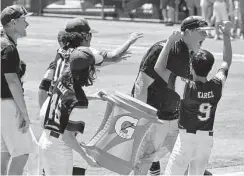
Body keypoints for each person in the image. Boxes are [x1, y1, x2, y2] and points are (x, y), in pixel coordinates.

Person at [131, 16, 212, 176]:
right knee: (144, 162)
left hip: (176, 119)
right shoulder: (163, 50)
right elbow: (141, 85)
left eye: (206, 32)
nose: (205, 36)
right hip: (155, 118)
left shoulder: (194, 53)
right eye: (201, 32)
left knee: (189, 160)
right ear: (187, 32)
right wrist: (142, 119)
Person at [154, 21, 232, 175]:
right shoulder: (216, 85)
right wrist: (226, 35)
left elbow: (159, 68)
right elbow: (226, 61)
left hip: (186, 140)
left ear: (191, 67)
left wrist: (169, 42)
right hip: (206, 141)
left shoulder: (186, 87)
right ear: (210, 68)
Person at [38, 17, 143, 108]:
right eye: (89, 35)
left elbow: (43, 86)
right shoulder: (85, 52)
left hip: (52, 106)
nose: (90, 39)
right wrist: (130, 40)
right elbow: (114, 56)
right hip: (65, 109)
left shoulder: (61, 52)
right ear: (84, 36)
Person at [39, 47, 101, 175]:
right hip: (59, 149)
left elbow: (67, 100)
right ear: (88, 70)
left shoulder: (63, 79)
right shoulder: (80, 101)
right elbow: (68, 137)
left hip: (46, 139)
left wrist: (93, 96)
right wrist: (87, 158)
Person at [1, 5, 37, 175]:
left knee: (5, 152)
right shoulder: (8, 47)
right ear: (14, 22)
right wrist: (24, 113)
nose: (27, 24)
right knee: (22, 153)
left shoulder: (3, 43)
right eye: (24, 20)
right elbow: (12, 81)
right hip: (7, 105)